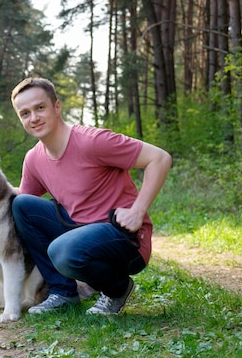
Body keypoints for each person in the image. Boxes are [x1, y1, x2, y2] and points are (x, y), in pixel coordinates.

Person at [10, 77, 172, 315]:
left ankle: (117, 288)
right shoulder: (34, 159)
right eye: (25, 113)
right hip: (78, 232)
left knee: (63, 251)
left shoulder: (92, 142)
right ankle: (63, 292)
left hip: (123, 237)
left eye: (40, 108)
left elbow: (159, 158)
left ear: (57, 107)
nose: (33, 118)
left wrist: (137, 211)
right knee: (22, 205)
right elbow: (25, 203)